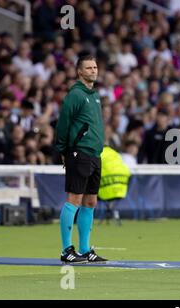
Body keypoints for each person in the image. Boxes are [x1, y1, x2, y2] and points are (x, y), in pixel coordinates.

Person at [55, 54, 107, 263]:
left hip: (94, 154)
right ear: (79, 71)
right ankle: (67, 250)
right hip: (79, 153)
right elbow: (63, 123)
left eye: (95, 67)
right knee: (74, 199)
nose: (93, 70)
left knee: (91, 201)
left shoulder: (94, 95)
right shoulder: (76, 94)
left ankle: (85, 250)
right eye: (88, 68)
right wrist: (63, 150)